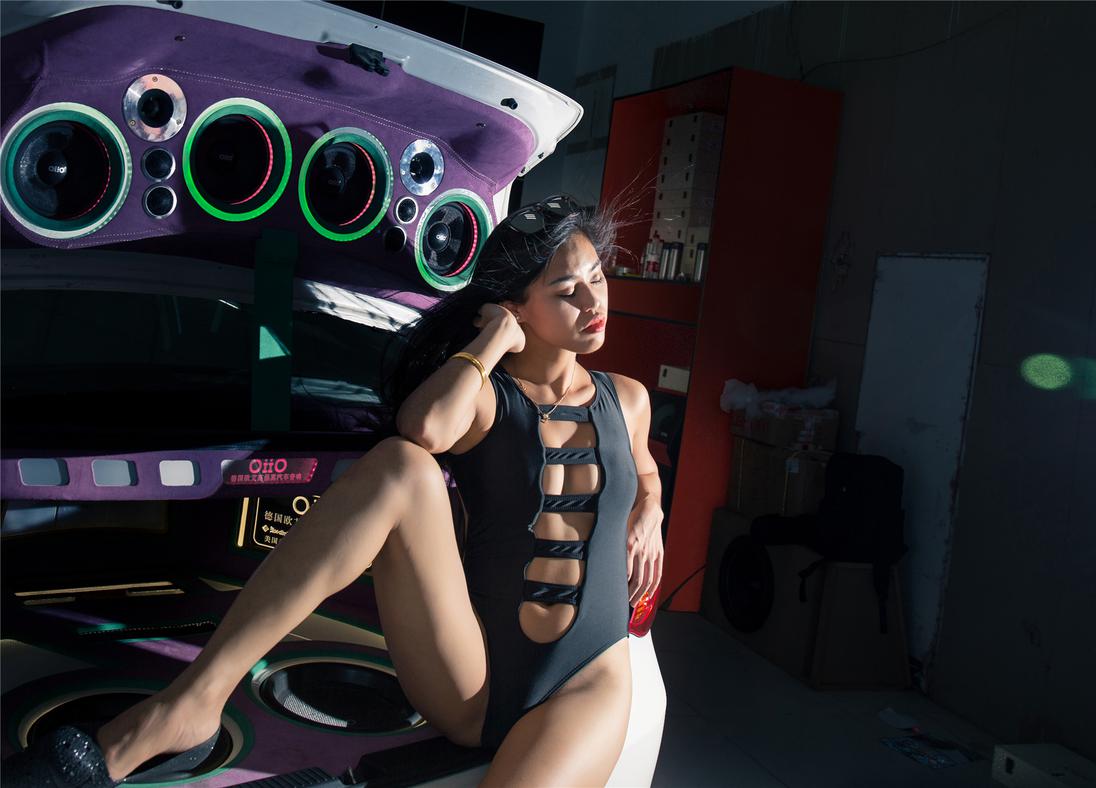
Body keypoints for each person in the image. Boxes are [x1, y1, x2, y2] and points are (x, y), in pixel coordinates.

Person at [14, 194, 665, 787]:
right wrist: (493, 340)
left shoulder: (628, 399)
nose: (593, 301)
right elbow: (422, 429)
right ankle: (190, 704)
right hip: (473, 676)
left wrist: (652, 510)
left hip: (583, 681)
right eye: (566, 290)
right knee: (400, 466)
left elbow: (643, 470)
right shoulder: (484, 398)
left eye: (597, 278)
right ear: (517, 307)